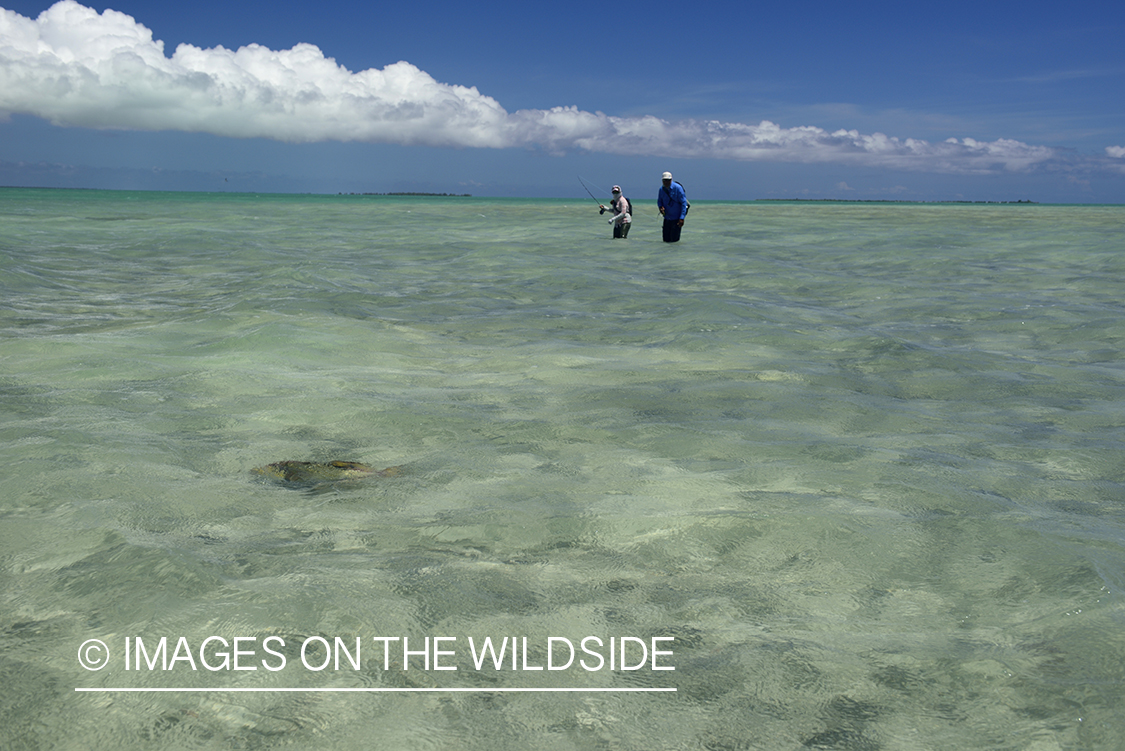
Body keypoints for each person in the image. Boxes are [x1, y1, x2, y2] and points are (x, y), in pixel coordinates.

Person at [657, 171, 688, 243]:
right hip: (667, 218)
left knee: (674, 241)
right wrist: (660, 207)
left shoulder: (678, 188)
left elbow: (684, 203)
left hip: (677, 219)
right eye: (664, 180)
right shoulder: (661, 189)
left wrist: (682, 218)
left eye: (668, 180)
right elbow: (659, 201)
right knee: (665, 240)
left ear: (671, 180)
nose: (666, 182)